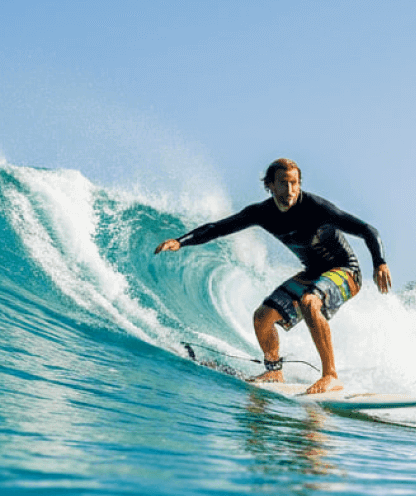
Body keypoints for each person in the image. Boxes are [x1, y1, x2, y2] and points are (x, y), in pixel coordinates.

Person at [154, 158, 391, 394]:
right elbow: (219, 228)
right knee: (263, 317)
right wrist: (180, 242)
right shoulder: (262, 212)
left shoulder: (316, 208)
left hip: (346, 271)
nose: (290, 190)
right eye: (283, 183)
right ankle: (274, 371)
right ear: (270, 185)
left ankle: (330, 375)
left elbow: (367, 230)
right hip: (313, 274)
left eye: (294, 183)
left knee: (310, 301)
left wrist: (379, 262)